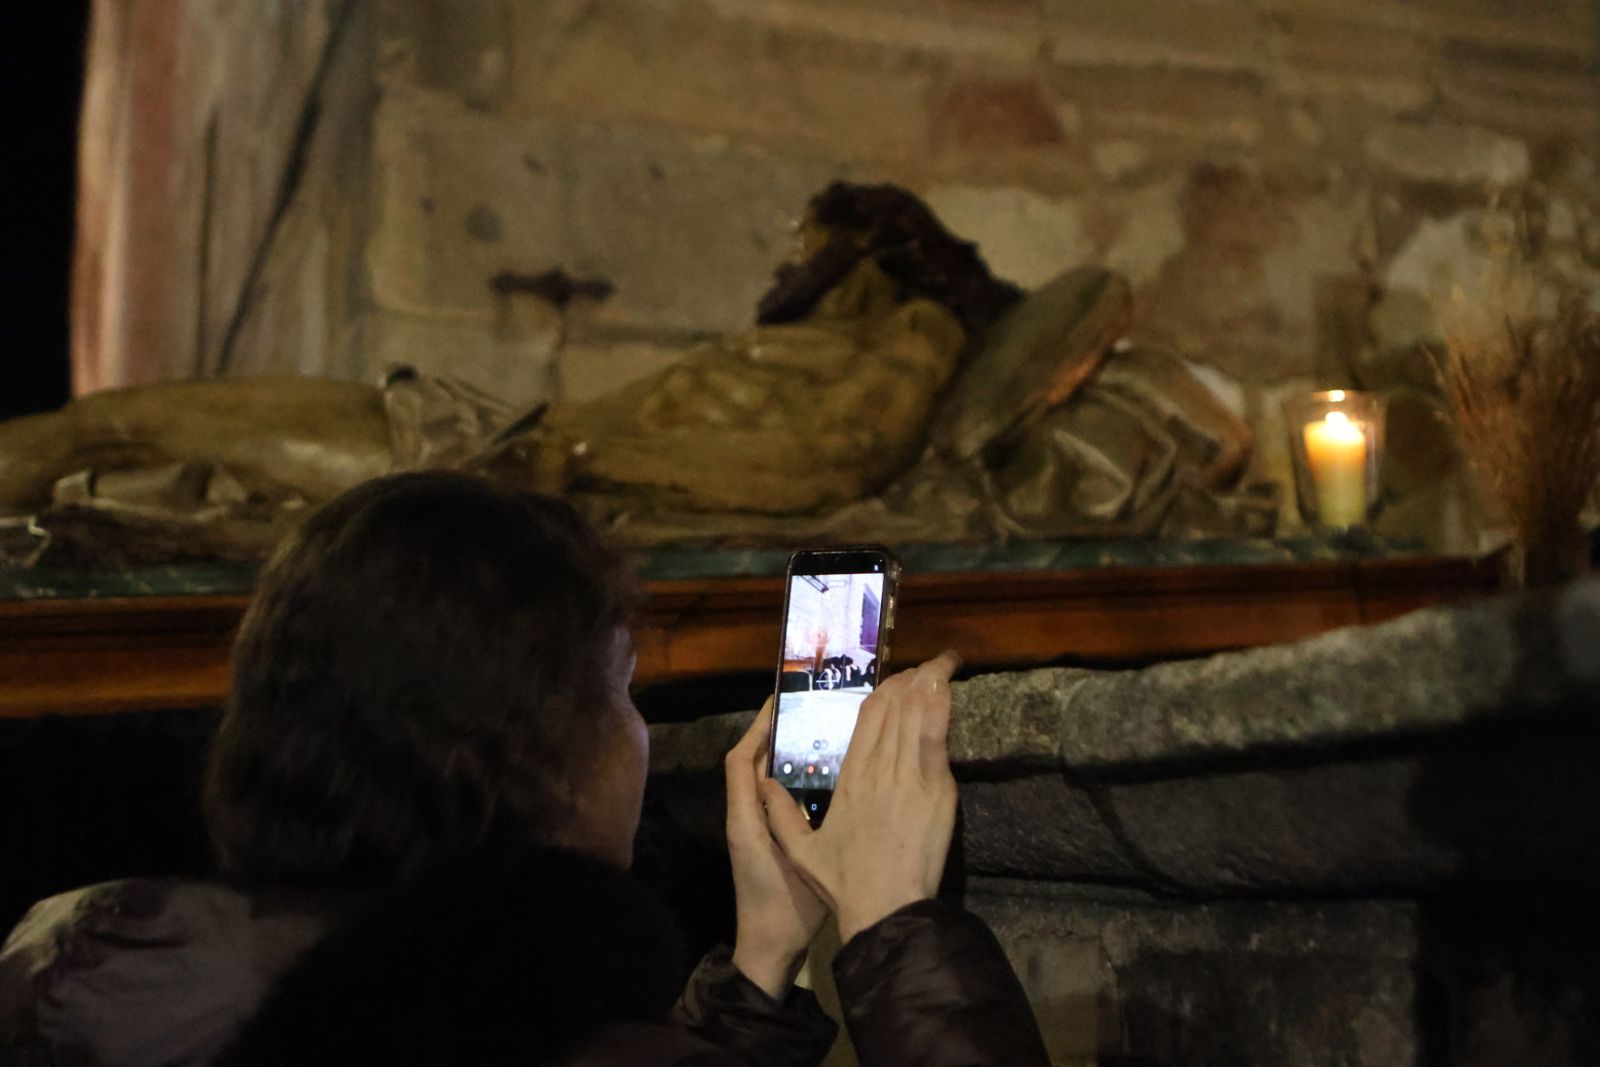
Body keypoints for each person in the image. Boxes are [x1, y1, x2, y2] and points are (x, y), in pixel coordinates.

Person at [0, 472, 1049, 1066]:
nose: (636, 730)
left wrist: (760, 965)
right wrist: (897, 934)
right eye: (621, 689)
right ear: (538, 752)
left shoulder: (92, 969)